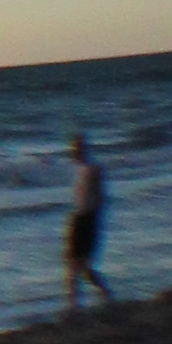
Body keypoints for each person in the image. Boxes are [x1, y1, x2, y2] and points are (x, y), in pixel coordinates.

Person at [63, 130, 116, 310]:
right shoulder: (79, 171)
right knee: (73, 265)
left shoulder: (93, 170)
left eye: (75, 150)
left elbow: (100, 197)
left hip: (88, 219)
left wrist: (94, 220)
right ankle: (74, 303)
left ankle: (102, 293)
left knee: (82, 267)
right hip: (79, 217)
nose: (73, 153)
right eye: (72, 150)